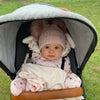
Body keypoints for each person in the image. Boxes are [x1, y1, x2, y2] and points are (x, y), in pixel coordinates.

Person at [11, 20, 83, 100]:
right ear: (40, 48)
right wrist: (20, 81)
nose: (51, 51)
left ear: (62, 49)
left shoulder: (63, 60)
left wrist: (72, 81)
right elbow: (25, 72)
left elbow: (67, 73)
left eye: (56, 48)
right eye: (47, 47)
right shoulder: (33, 56)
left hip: (56, 89)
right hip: (36, 87)